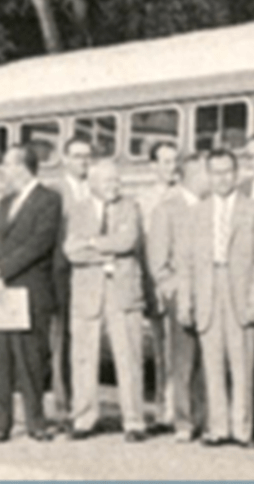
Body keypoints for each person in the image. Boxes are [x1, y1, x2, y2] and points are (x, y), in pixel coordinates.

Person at [177, 149, 254, 447]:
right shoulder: (195, 213)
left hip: (240, 293)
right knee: (213, 363)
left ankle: (243, 429)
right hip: (207, 292)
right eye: (215, 172)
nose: (221, 178)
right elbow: (186, 262)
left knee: (242, 362)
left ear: (237, 173)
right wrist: (185, 302)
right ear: (208, 175)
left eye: (227, 172)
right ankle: (218, 427)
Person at [0, 145, 62, 443]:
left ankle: (35, 422)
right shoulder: (5, 203)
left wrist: (1, 270)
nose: (3, 171)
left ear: (21, 167)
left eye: (6, 165)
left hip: (30, 290)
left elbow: (39, 243)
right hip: (0, 291)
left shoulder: (48, 200)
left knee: (30, 360)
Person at [63, 159, 147, 442]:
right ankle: (84, 418)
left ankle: (134, 422)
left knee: (129, 357)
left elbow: (128, 242)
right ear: (93, 184)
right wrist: (107, 249)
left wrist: (92, 243)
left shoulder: (130, 206)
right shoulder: (78, 209)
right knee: (84, 356)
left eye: (117, 181)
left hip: (122, 291)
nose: (114, 186)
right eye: (108, 182)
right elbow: (71, 251)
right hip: (88, 292)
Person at [146, 152, 210, 443]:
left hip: (211, 292)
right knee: (183, 359)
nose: (209, 177)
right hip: (181, 294)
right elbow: (158, 259)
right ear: (191, 176)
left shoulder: (211, 206)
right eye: (205, 172)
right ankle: (184, 421)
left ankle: (206, 417)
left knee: (208, 359)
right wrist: (171, 288)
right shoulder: (167, 209)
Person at [48, 136, 93, 430]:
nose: (83, 162)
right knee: (62, 339)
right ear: (65, 159)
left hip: (88, 274)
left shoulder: (93, 189)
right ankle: (64, 406)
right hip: (62, 274)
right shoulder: (55, 193)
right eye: (77, 156)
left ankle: (84, 404)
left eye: (87, 157)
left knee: (84, 339)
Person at [138, 140, 180, 434]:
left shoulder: (185, 196)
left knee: (180, 347)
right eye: (164, 162)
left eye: (174, 161)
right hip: (155, 281)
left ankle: (178, 408)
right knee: (160, 347)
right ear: (153, 166)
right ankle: (162, 407)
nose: (171, 167)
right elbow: (143, 244)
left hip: (178, 280)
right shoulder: (144, 200)